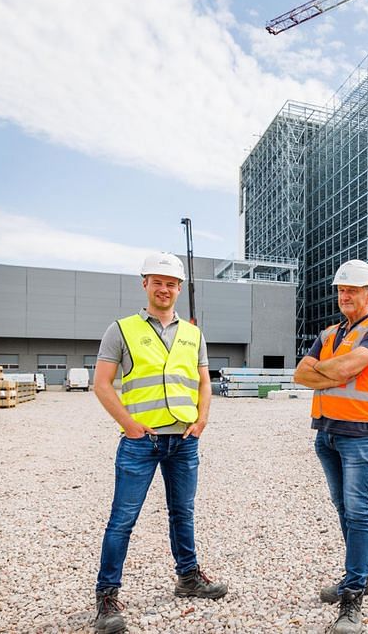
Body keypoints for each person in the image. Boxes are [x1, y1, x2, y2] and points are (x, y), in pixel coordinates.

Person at [90, 252, 225, 634]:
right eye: (157, 281)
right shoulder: (122, 330)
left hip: (183, 441)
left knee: (183, 513)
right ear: (145, 284)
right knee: (122, 521)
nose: (164, 288)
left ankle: (188, 578)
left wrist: (202, 419)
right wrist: (129, 425)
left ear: (179, 288)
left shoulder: (193, 333)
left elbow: (202, 381)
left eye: (171, 283)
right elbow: (102, 384)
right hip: (141, 442)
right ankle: (106, 597)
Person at [294, 259, 368, 634]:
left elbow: (333, 373)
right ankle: (362, 575)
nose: (345, 296)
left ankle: (353, 592)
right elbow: (299, 374)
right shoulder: (328, 334)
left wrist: (324, 373)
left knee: (358, 512)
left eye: (353, 290)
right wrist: (335, 370)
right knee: (343, 509)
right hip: (325, 433)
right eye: (342, 290)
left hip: (361, 435)